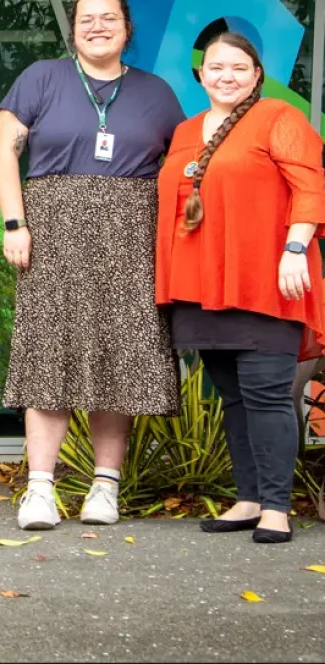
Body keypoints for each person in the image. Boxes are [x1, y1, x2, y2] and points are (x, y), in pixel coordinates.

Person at [0, 0, 185, 531]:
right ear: (72, 29)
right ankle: (40, 490)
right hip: (51, 236)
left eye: (108, 18)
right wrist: (14, 221)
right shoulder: (42, 78)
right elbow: (4, 148)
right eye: (86, 19)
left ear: (127, 29)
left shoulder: (157, 92)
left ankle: (105, 488)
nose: (97, 26)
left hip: (131, 241)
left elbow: (187, 166)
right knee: (50, 354)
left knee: (118, 358)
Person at [156, 32, 325, 544]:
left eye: (238, 67)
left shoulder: (278, 118)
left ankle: (276, 507)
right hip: (200, 285)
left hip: (265, 279)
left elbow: (311, 185)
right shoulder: (186, 130)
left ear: (256, 75)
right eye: (215, 67)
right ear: (200, 75)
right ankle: (248, 498)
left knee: (268, 395)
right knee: (232, 396)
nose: (226, 76)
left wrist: (296, 248)